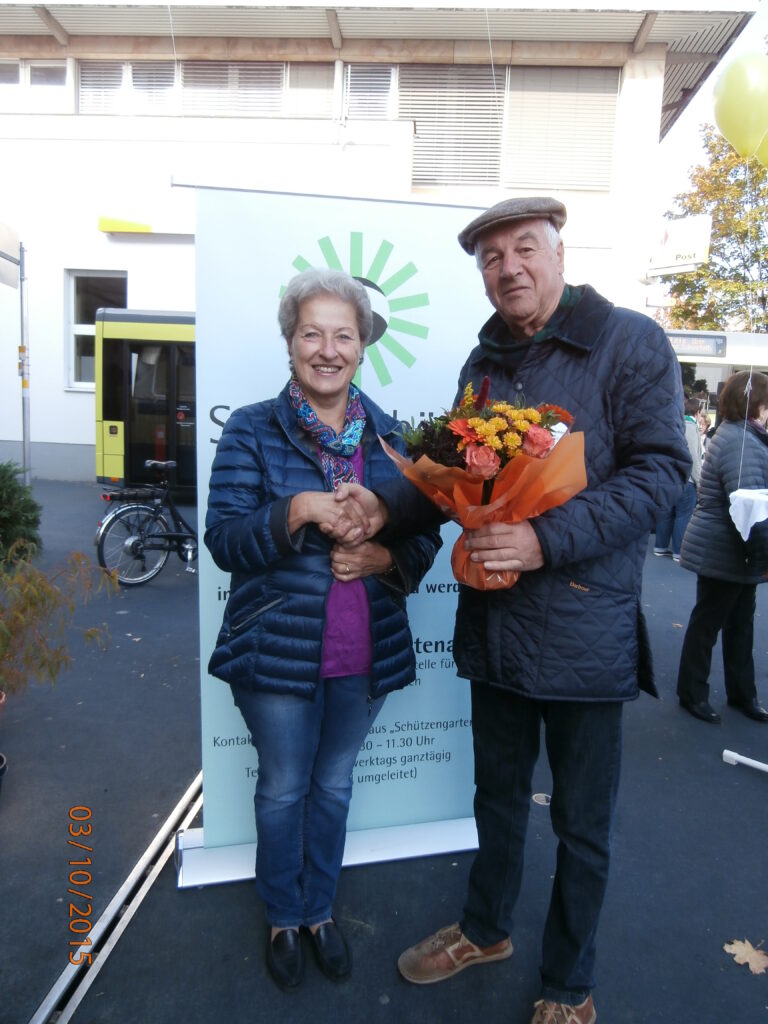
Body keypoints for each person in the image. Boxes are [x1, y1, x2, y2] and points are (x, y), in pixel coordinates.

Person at [339, 196, 691, 1024]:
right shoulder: (483, 360)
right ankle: (487, 927)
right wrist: (383, 510)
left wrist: (544, 539)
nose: (509, 268)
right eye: (492, 258)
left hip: (582, 625)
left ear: (558, 252)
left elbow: (661, 472)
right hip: (494, 629)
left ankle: (569, 984)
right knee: (494, 797)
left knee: (581, 823)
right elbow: (450, 475)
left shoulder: (629, 342)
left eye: (524, 248)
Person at [204, 268, 441, 991]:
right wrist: (299, 508)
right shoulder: (250, 427)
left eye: (344, 334)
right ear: (289, 342)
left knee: (333, 785)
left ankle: (318, 909)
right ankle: (282, 913)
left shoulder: (397, 437)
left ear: (363, 345)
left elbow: (426, 539)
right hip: (276, 652)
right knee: (282, 789)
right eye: (312, 333)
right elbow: (224, 539)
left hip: (363, 651)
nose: (328, 349)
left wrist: (382, 556)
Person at [676, 369, 768, 725]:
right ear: (756, 403)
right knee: (709, 623)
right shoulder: (737, 440)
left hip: (738, 550)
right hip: (726, 547)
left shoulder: (746, 437)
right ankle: (692, 693)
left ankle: (742, 694)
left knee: (740, 624)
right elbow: (747, 500)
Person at [653, 397, 702, 560]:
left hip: (668, 477)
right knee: (683, 515)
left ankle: (660, 545)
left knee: (666, 512)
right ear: (698, 412)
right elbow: (694, 457)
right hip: (685, 479)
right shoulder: (690, 427)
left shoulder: (672, 423)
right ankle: (679, 551)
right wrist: (699, 481)